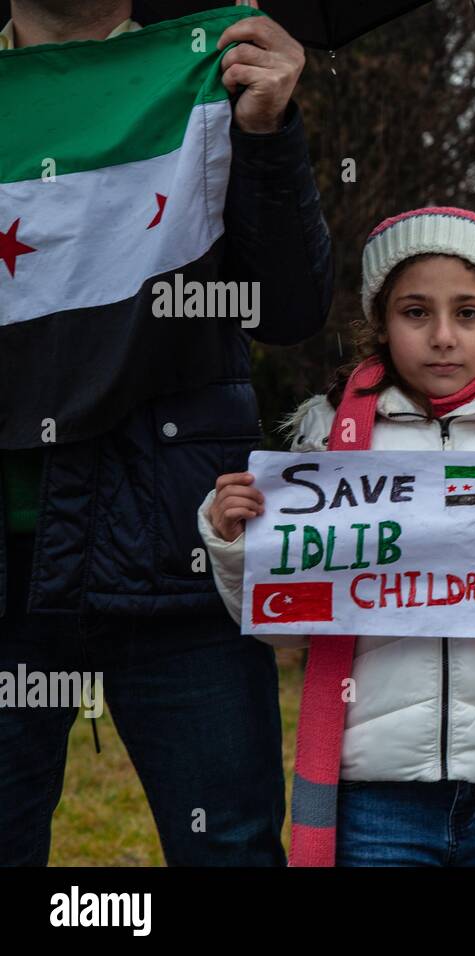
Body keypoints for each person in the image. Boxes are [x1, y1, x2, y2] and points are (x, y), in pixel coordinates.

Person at [200, 207, 475, 866]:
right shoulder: (332, 442)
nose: (442, 336)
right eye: (415, 313)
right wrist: (236, 548)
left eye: (468, 313)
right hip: (375, 793)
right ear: (380, 322)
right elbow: (284, 627)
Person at [0, 0, 332, 866]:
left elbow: (289, 312)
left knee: (231, 847)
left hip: (176, 547)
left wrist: (268, 136)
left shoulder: (217, 72)